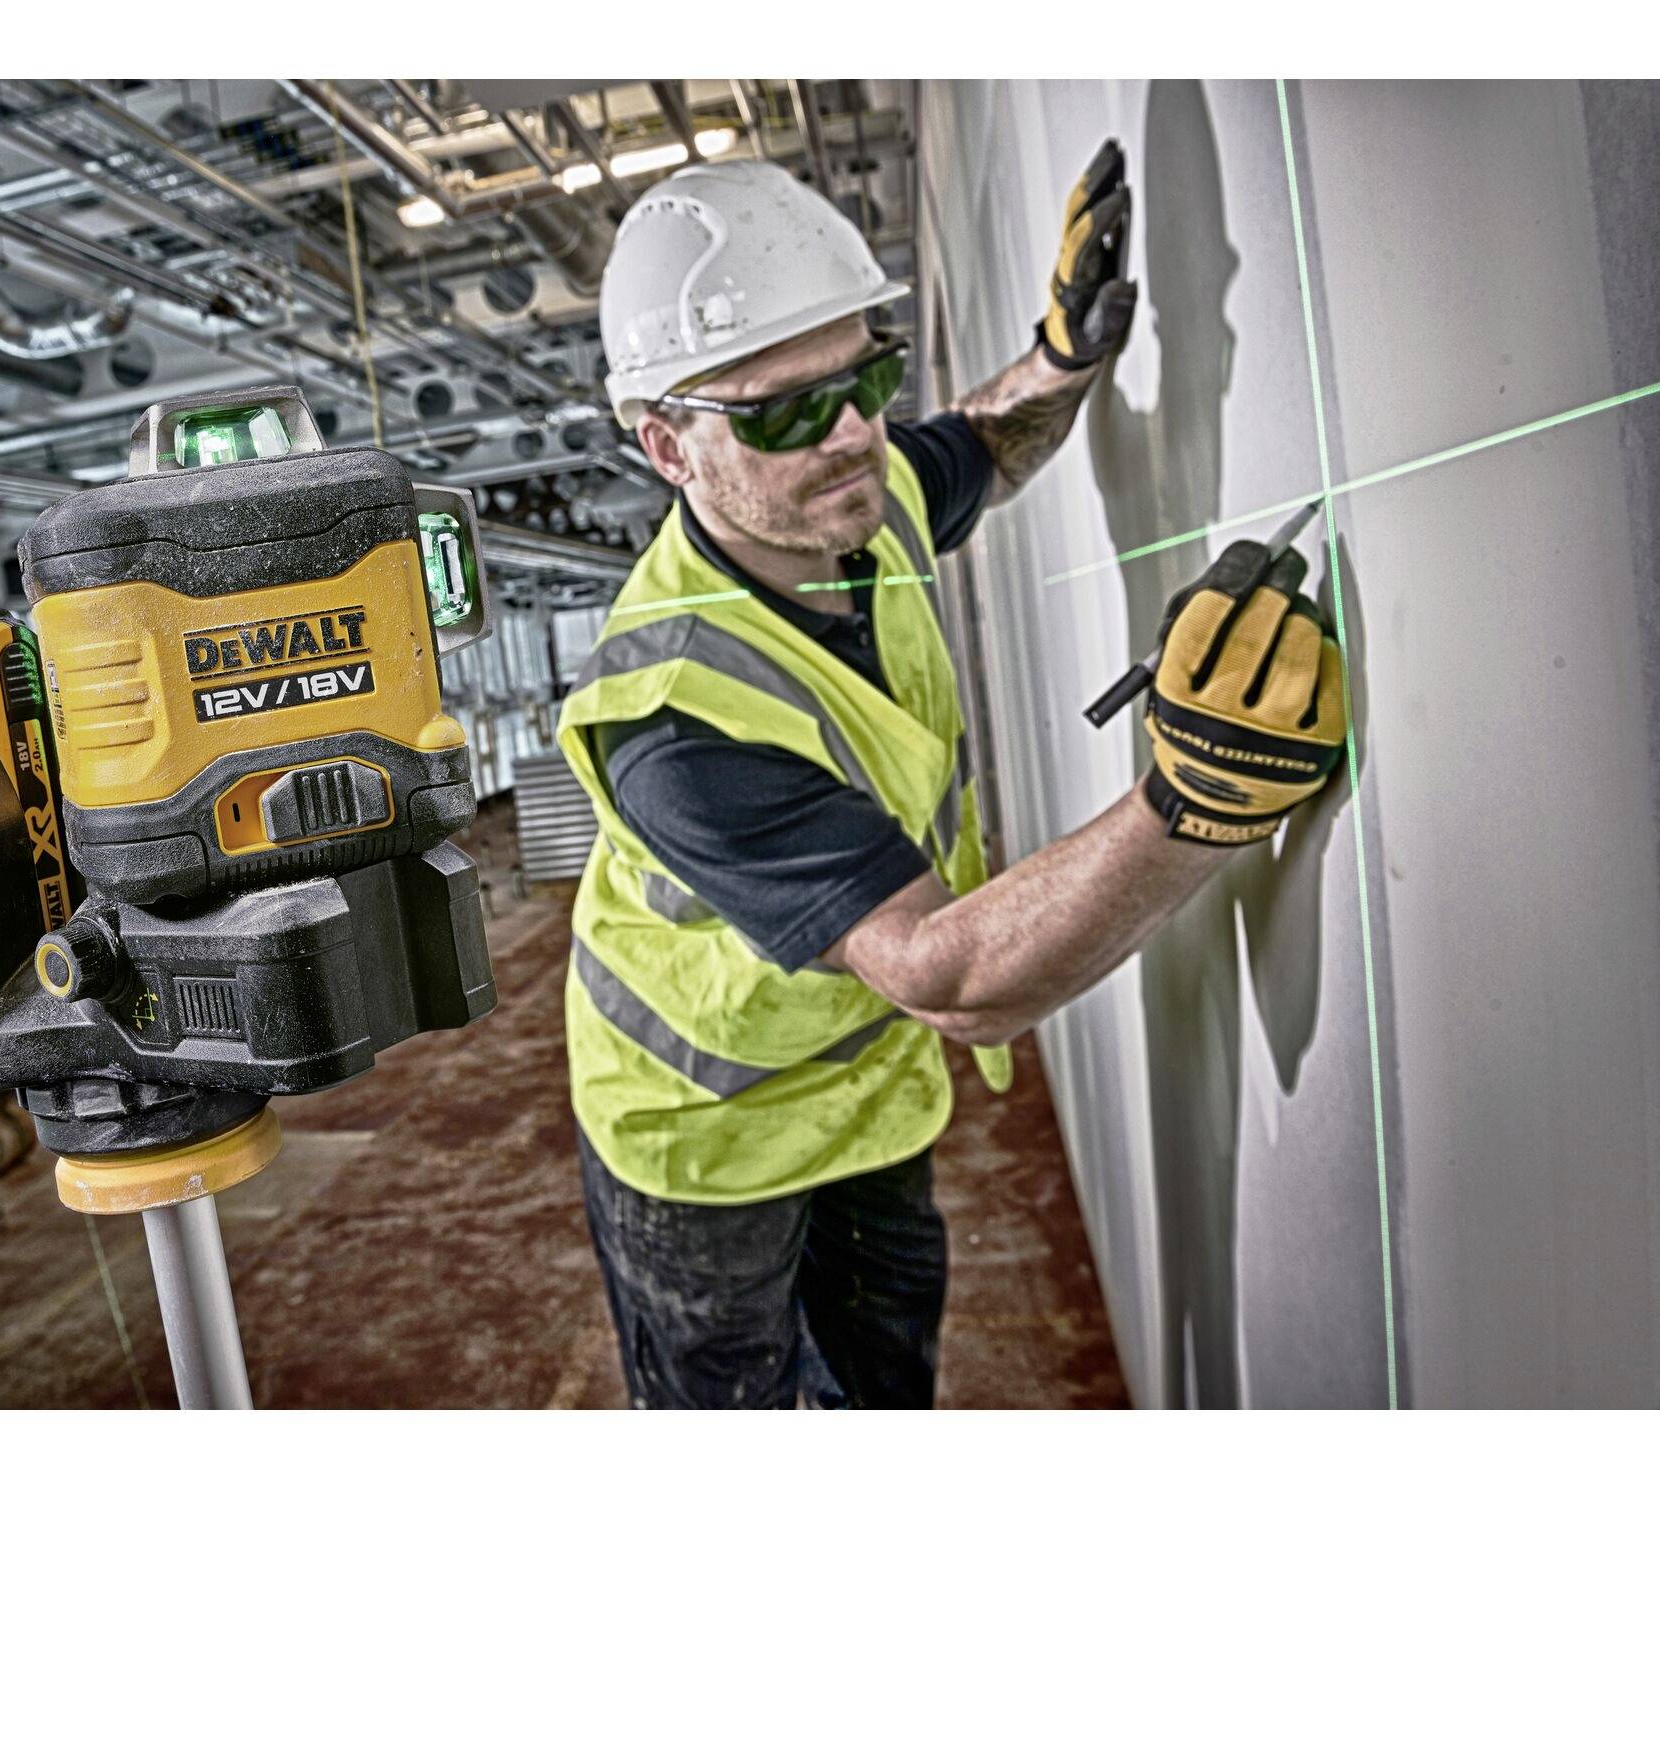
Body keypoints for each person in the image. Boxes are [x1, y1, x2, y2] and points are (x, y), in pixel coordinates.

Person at [555, 146, 1346, 1408]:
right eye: (782, 411)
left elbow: (976, 441)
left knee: (882, 1392)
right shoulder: (668, 715)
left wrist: (1063, 352)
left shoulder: (854, 498)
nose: (854, 433)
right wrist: (1193, 803)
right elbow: (950, 976)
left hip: (864, 1091)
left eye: (865, 374)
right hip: (697, 1135)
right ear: (665, 446)